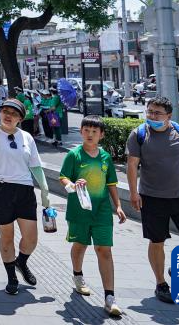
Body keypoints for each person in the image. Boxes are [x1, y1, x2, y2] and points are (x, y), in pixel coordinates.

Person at [125, 97, 179, 304]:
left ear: (169, 116)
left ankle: (177, 266)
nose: (152, 116)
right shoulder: (139, 134)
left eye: (157, 113)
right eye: (149, 112)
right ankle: (161, 283)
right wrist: (133, 193)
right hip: (152, 198)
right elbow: (132, 165)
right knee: (157, 241)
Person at [0, 98, 51, 295]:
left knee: (31, 238)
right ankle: (12, 277)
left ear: (20, 119)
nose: (8, 116)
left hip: (24, 190)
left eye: (14, 113)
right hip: (0, 190)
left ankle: (21, 262)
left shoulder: (27, 138)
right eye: (5, 111)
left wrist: (44, 189)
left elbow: (35, 166)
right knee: (7, 236)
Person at [59, 116, 127, 317]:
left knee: (104, 250)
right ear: (81, 132)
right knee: (80, 245)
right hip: (79, 210)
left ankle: (110, 298)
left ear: (101, 135)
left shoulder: (105, 157)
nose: (90, 134)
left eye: (94, 131)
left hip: (102, 211)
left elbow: (111, 183)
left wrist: (118, 206)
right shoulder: (74, 155)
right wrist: (71, 185)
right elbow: (63, 176)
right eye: (86, 130)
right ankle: (78, 275)